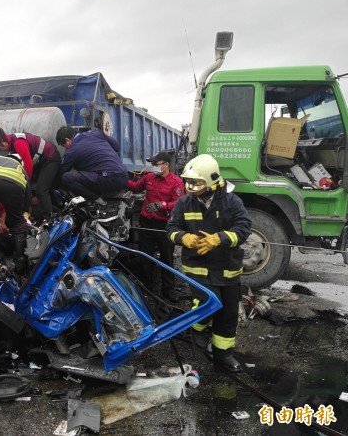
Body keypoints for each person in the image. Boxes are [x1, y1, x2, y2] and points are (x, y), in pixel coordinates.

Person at [166, 154, 251, 373]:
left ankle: (224, 355)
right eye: (188, 181)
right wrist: (183, 237)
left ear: (212, 181)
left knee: (228, 314)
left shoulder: (232, 202)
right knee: (208, 306)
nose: (190, 186)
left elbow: (243, 228)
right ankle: (197, 331)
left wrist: (220, 238)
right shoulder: (184, 203)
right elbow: (172, 228)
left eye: (196, 182)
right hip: (198, 269)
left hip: (228, 269)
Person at [126, 151, 184, 302]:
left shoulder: (176, 182)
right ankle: (146, 287)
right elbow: (135, 187)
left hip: (164, 225)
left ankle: (168, 290)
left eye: (156, 164)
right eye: (152, 164)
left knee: (167, 258)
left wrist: (163, 205)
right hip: (147, 223)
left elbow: (179, 203)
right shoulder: (149, 178)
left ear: (166, 165)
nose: (153, 167)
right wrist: (119, 178)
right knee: (145, 256)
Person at [0, 126, 61, 221]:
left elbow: (28, 165)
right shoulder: (11, 145)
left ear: (3, 141)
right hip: (40, 162)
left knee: (41, 190)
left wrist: (24, 185)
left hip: (50, 158)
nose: (2, 150)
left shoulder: (18, 143)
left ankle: (50, 218)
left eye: (1, 147)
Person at [56, 126, 127, 200]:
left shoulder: (72, 151)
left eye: (64, 146)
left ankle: (96, 200)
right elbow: (117, 147)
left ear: (67, 140)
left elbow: (61, 172)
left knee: (66, 177)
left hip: (109, 179)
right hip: (124, 176)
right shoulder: (96, 133)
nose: (66, 149)